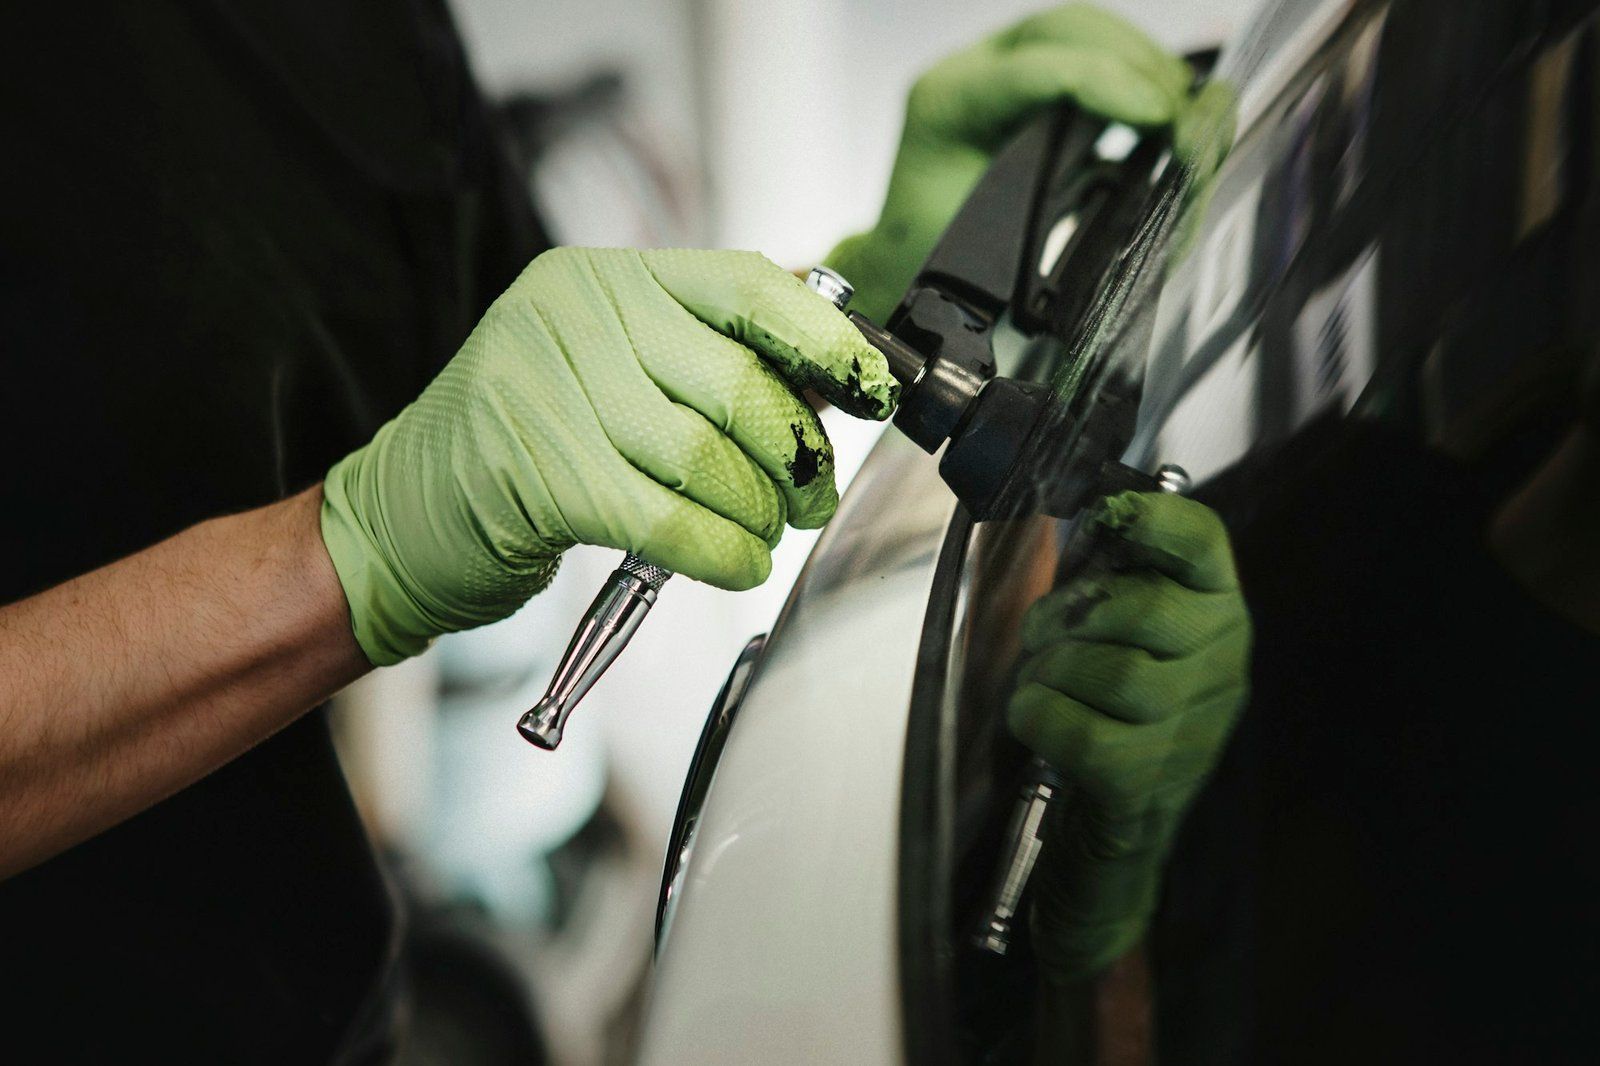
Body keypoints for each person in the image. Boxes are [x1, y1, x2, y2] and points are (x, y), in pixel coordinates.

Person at [0, 2, 1203, 1060]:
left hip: (323, 1009)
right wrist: (338, 557)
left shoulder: (342, 33)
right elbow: (429, 477)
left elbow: (505, 383)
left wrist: (867, 304)